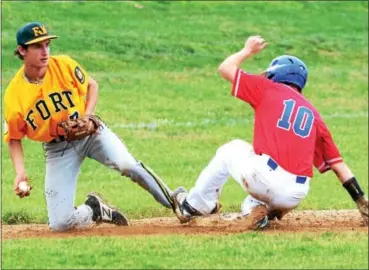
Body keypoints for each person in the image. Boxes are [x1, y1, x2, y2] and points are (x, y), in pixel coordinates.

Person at [171, 35, 368, 230]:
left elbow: (225, 69)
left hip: (265, 178)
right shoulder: (315, 117)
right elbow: (338, 166)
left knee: (230, 150)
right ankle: (255, 214)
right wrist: (362, 201)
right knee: (257, 198)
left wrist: (247, 51)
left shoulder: (268, 88)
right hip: (295, 194)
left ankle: (193, 206)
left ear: (276, 75)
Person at [4, 22, 177, 232]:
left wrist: (88, 115)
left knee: (127, 165)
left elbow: (91, 85)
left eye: (47, 44)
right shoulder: (14, 95)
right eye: (37, 46)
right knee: (59, 224)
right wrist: (20, 173)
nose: (45, 51)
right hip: (58, 149)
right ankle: (93, 209)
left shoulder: (64, 65)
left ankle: (177, 202)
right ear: (22, 50)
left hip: (92, 134)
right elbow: (14, 137)